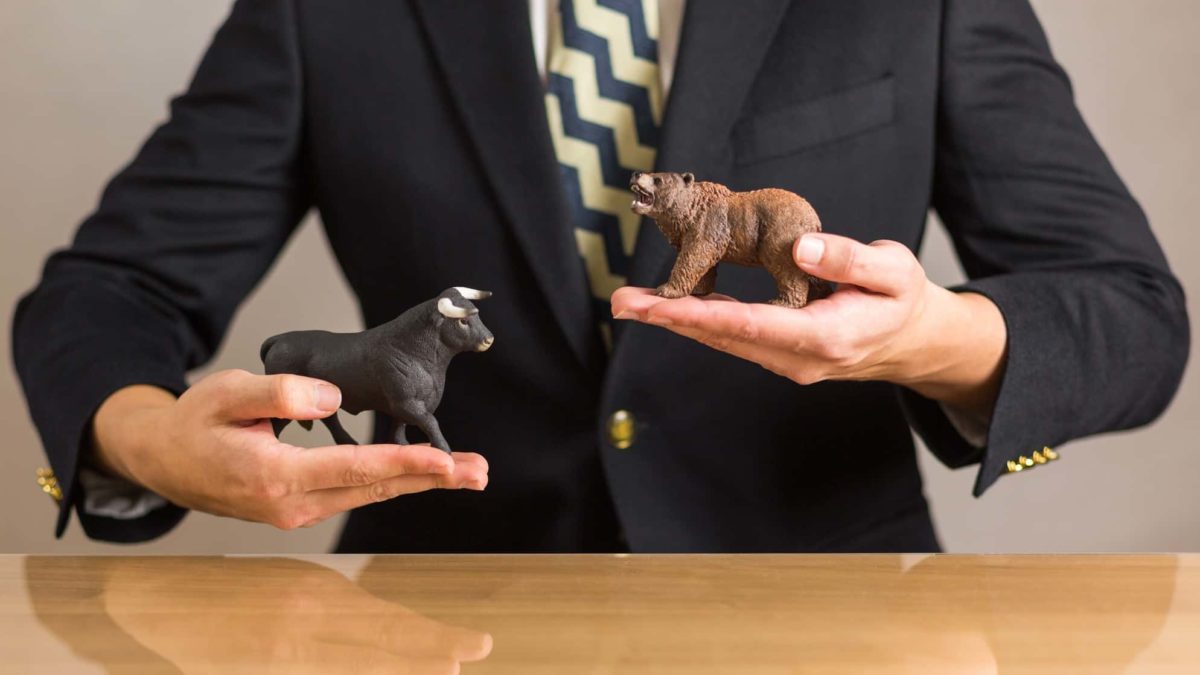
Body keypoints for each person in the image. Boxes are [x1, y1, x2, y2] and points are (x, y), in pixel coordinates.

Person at [13, 0, 1188, 551]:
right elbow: (104, 290)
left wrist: (941, 342)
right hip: (450, 623)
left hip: (829, 615)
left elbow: (1130, 315)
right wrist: (143, 440)